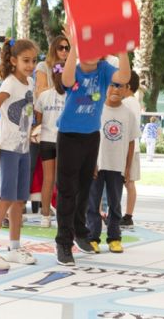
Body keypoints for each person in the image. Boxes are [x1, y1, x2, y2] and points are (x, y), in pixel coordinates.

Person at [54, 29, 131, 266]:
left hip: (91, 136)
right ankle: (63, 243)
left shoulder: (105, 70)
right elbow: (66, 81)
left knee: (85, 189)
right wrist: (75, 46)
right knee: (67, 191)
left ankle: (80, 232)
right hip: (68, 135)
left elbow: (125, 77)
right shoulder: (73, 69)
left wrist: (121, 50)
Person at [0, 39, 39, 270]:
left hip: (24, 148)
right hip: (9, 149)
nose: (30, 65)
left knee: (18, 200)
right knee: (5, 199)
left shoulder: (30, 83)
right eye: (25, 60)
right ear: (13, 61)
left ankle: (14, 247)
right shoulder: (10, 84)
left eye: (33, 61)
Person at [87, 82, 139, 253]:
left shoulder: (128, 114)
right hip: (98, 165)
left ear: (126, 89)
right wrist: (91, 162)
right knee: (93, 203)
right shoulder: (96, 110)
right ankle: (92, 237)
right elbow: (89, 136)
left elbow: (131, 142)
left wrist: (127, 167)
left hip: (117, 166)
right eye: (111, 85)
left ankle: (114, 237)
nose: (115, 89)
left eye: (120, 86)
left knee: (115, 204)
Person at [34, 61, 66, 228]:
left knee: (48, 179)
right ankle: (62, 216)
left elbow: (38, 120)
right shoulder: (71, 95)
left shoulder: (44, 96)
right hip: (64, 141)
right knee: (62, 180)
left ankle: (45, 216)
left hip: (46, 140)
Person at [120, 71, 141, 229]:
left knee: (128, 182)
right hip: (132, 148)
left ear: (127, 86)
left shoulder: (127, 103)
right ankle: (128, 215)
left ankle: (127, 215)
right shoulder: (134, 102)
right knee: (130, 183)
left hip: (128, 148)